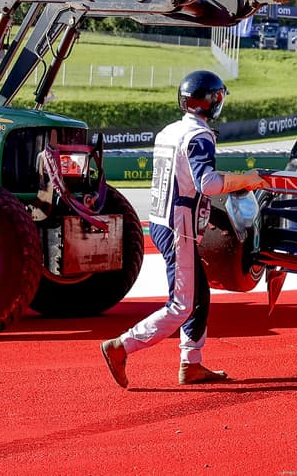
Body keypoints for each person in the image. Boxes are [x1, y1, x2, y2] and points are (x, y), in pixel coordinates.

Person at [101, 70, 265, 388]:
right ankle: (122, 346)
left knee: (198, 294)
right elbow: (208, 183)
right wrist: (247, 179)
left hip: (164, 220)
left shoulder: (169, 131)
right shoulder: (199, 136)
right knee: (181, 305)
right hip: (181, 226)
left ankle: (192, 364)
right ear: (213, 101)